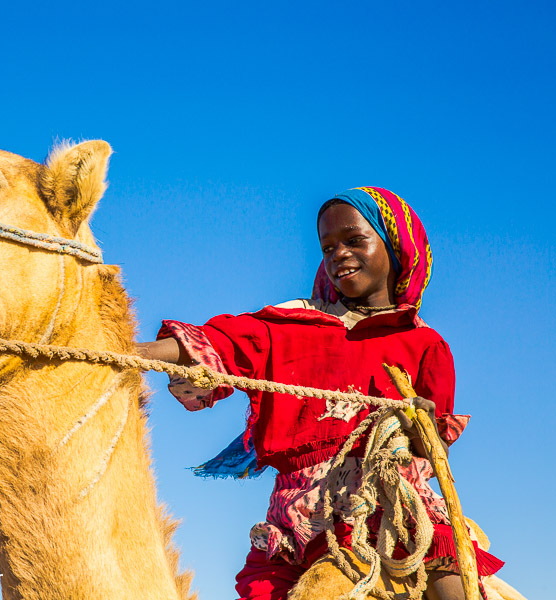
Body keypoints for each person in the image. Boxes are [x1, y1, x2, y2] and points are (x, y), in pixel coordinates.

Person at [137, 187, 503, 600]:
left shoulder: (424, 345)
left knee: (453, 582)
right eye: (328, 247)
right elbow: (220, 344)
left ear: (395, 245)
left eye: (354, 240)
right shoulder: (291, 325)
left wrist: (420, 427)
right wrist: (129, 352)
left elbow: (432, 453)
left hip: (393, 509)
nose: (338, 254)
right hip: (298, 522)